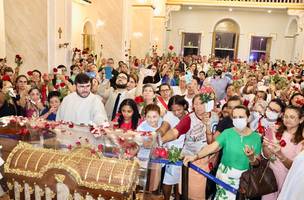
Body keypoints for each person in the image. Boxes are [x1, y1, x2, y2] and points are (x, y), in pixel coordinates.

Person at [183, 105, 262, 200]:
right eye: (235, 117)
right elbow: (213, 147)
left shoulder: (256, 137)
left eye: (241, 117)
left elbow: (257, 162)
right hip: (224, 176)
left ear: (248, 118)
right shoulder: (227, 133)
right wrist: (195, 156)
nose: (237, 119)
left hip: (244, 180)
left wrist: (251, 158)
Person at [161, 94, 218, 200]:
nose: (199, 106)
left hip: (208, 161)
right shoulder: (189, 119)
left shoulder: (215, 116)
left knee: (206, 192)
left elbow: (214, 142)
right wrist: (161, 140)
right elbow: (175, 132)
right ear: (192, 106)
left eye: (202, 103)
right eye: (196, 104)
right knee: (189, 192)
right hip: (190, 160)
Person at [262, 105, 303, 200]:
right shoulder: (274, 130)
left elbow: (295, 167)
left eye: (292, 117)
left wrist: (280, 154)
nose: (287, 119)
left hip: (287, 180)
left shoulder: (301, 141)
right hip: (270, 178)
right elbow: (267, 156)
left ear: (301, 120)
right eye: (285, 116)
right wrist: (265, 146)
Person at [156, 95, 189, 200]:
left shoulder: (190, 116)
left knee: (181, 181)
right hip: (173, 151)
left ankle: (178, 197)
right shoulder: (169, 116)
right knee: (169, 179)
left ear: (184, 106)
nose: (176, 113)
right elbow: (163, 128)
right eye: (173, 110)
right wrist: (156, 136)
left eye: (179, 109)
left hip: (187, 152)